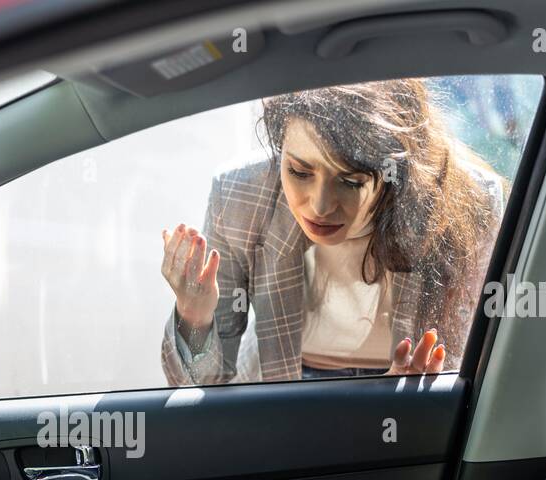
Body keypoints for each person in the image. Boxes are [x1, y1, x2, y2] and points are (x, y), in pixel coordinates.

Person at [159, 79, 504, 385]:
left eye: (350, 181)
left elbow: (480, 367)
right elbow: (202, 387)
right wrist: (193, 314)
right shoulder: (241, 194)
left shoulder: (468, 202)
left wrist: (417, 395)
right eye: (299, 171)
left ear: (395, 172)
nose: (320, 206)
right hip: (280, 397)